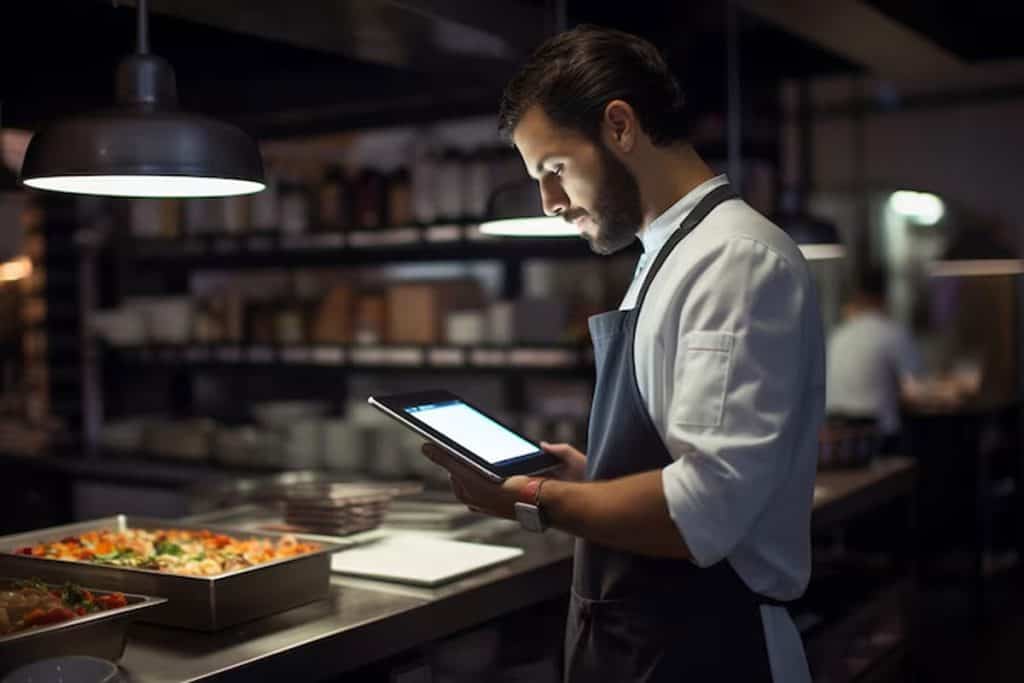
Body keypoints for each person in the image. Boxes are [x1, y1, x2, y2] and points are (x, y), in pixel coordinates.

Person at [421, 25, 825, 682]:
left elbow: (702, 508)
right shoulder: (665, 257)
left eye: (553, 169)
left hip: (716, 651)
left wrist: (531, 496)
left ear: (619, 126)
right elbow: (676, 458)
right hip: (651, 640)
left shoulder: (733, 260)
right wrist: (594, 477)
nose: (550, 203)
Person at [826, 268, 922, 452]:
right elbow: (914, 389)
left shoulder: (837, 335)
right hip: (879, 438)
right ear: (884, 298)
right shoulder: (892, 333)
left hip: (837, 440)